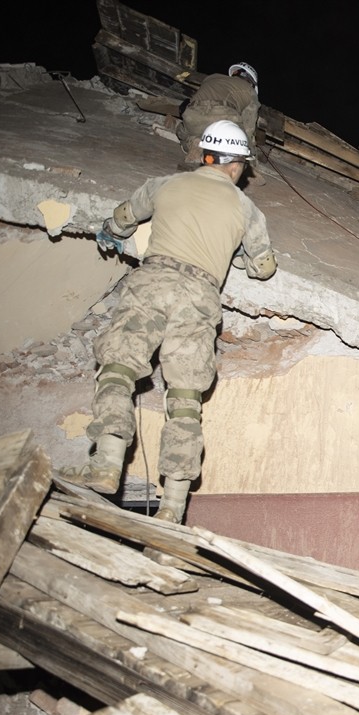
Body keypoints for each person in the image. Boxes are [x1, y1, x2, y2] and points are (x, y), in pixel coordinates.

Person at [61, 121, 277, 523]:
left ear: (204, 155)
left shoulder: (163, 185)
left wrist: (111, 231)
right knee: (184, 401)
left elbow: (122, 220)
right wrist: (238, 255)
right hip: (199, 297)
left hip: (152, 282)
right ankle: (173, 507)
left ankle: (107, 462)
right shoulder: (247, 210)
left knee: (118, 370)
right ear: (236, 167)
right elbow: (263, 268)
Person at [177, 62, 260, 169]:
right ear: (252, 83)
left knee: (184, 132)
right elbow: (249, 127)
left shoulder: (212, 78)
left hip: (191, 116)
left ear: (234, 73)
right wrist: (250, 153)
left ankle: (196, 143)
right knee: (235, 142)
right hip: (222, 116)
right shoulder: (250, 91)